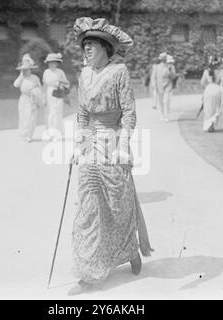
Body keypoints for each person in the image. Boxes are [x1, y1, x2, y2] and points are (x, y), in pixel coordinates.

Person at [69, 16, 153, 295]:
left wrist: (123, 143)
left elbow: (129, 112)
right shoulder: (83, 75)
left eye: (92, 44)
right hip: (91, 143)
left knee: (118, 203)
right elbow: (82, 113)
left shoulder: (119, 72)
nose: (87, 49)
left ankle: (130, 249)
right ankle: (91, 270)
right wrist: (78, 141)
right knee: (89, 207)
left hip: (114, 141)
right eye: (85, 45)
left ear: (106, 47)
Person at [13, 54, 42, 142]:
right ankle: (24, 133)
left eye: (27, 70)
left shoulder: (34, 78)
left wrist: (36, 95)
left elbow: (39, 88)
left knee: (31, 117)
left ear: (30, 70)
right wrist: (21, 75)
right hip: (23, 99)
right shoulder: (21, 78)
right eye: (23, 70)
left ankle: (29, 135)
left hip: (32, 99)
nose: (25, 71)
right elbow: (16, 85)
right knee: (23, 116)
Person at [42, 53, 70, 141]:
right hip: (49, 93)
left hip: (58, 92)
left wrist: (62, 85)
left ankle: (58, 133)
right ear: (48, 63)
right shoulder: (46, 72)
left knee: (58, 112)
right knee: (51, 113)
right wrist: (43, 97)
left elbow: (66, 83)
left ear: (57, 63)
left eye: (54, 62)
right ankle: (51, 133)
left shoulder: (60, 72)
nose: (52, 64)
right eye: (50, 62)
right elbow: (44, 85)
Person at [152, 53, 176, 122]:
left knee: (166, 101)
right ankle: (162, 115)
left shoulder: (171, 66)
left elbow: (173, 77)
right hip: (159, 86)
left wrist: (170, 71)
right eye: (162, 58)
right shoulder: (156, 66)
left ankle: (166, 116)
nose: (163, 60)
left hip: (168, 85)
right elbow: (153, 77)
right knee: (161, 102)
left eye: (164, 58)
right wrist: (154, 85)